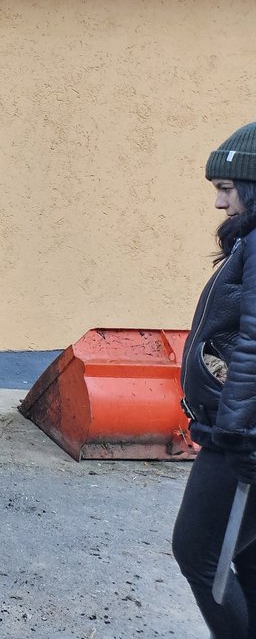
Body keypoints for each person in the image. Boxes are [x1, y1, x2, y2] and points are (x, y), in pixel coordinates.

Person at [175, 121, 256, 637]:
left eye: (226, 189)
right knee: (245, 556)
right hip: (241, 427)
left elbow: (254, 344)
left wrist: (239, 432)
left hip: (241, 434)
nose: (219, 204)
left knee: (197, 552)